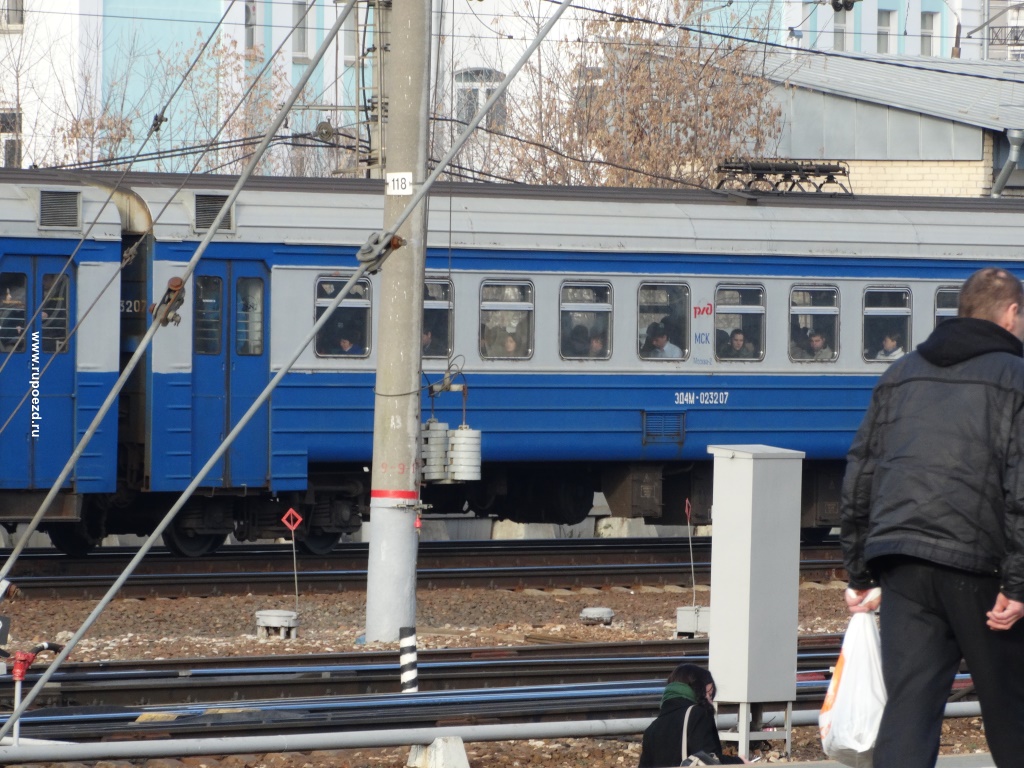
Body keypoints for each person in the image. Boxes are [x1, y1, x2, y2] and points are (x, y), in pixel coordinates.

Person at [840, 267, 1024, 768]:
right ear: (1011, 314)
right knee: (1011, 709)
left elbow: (861, 473)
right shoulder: (1015, 379)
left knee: (909, 710)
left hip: (903, 565)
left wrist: (859, 569)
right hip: (980, 568)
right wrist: (1019, 583)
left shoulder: (899, 374)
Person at [639, 663, 747, 766]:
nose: (710, 701)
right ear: (698, 689)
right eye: (709, 693)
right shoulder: (697, 714)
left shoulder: (652, 729)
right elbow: (708, 760)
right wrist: (739, 762)